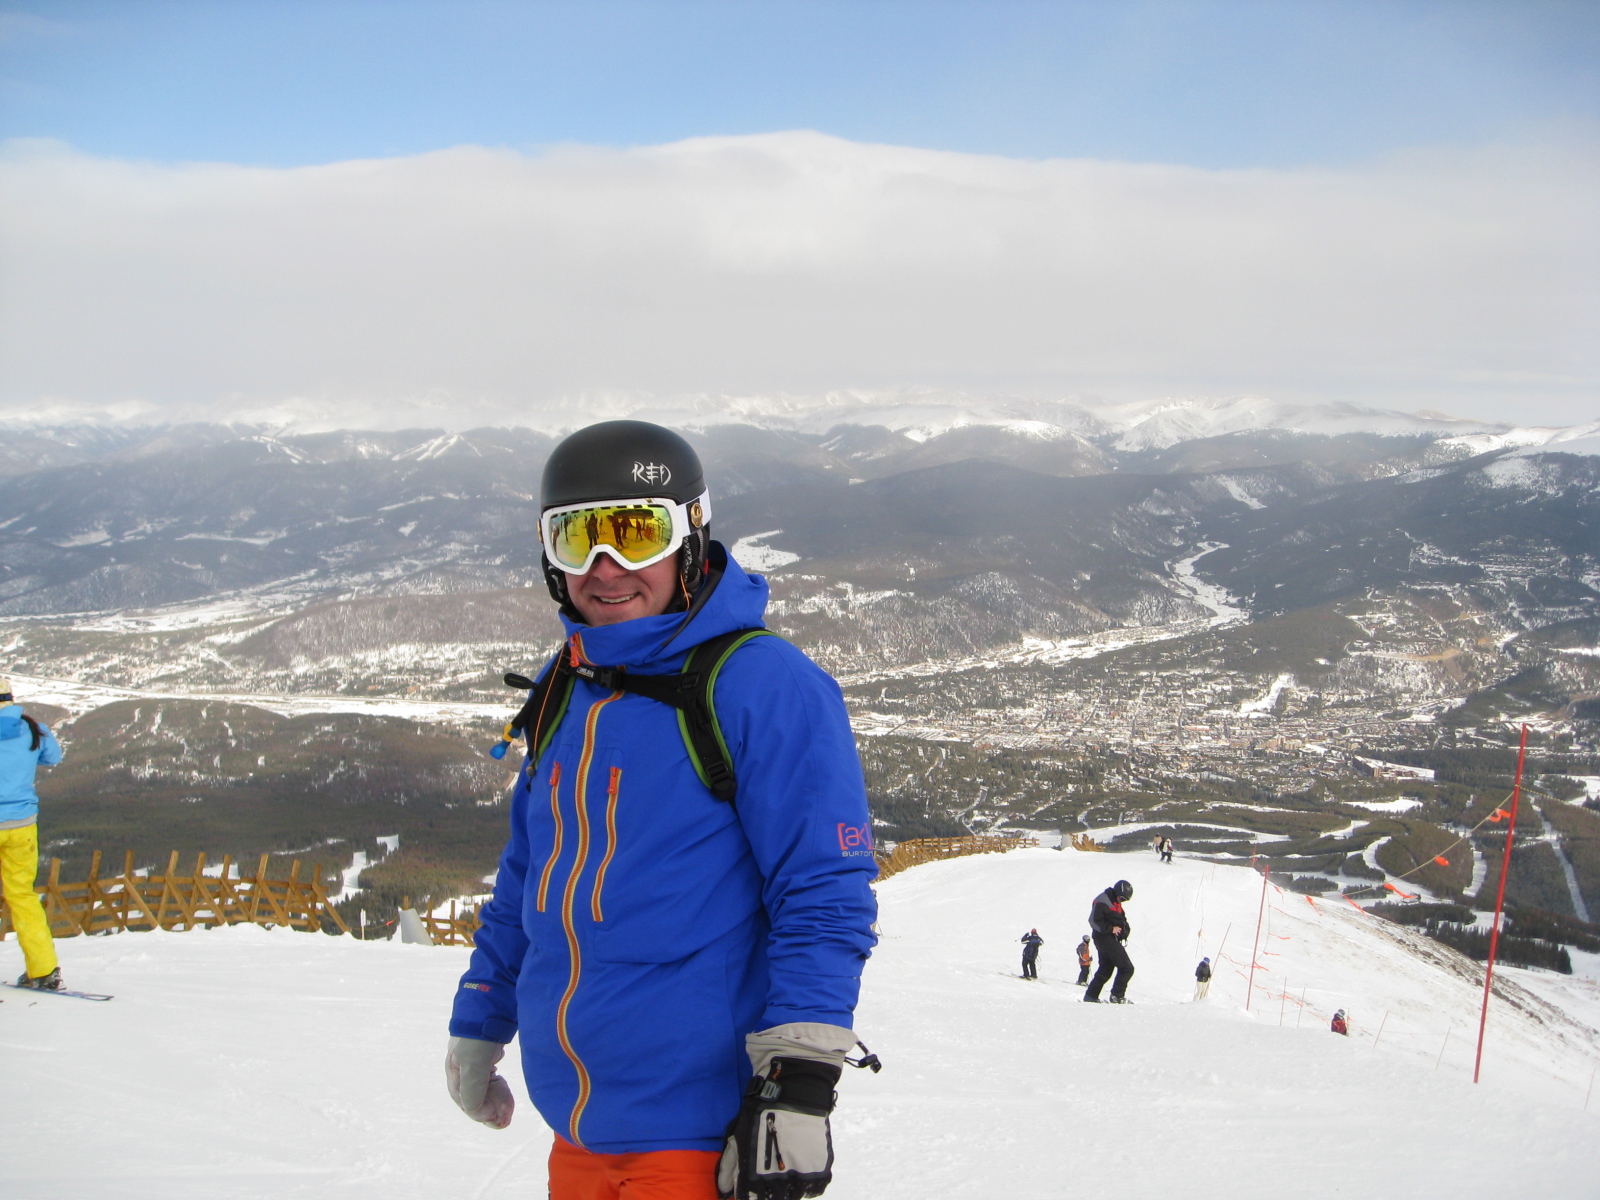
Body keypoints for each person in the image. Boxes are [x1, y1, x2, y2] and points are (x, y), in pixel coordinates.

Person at [444, 421, 878, 1200]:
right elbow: (527, 878)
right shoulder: (567, 683)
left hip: (696, 1139)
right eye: (576, 538)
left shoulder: (762, 684)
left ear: (690, 536)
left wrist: (800, 1080)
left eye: (636, 533)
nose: (605, 567)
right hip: (576, 1130)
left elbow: (823, 890)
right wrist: (480, 1016)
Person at [0, 678, 65, 990]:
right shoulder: (31, 727)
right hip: (22, 824)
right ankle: (43, 970)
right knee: (23, 896)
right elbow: (53, 757)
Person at [1083, 880, 1135, 1004]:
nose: (1122, 901)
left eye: (1124, 900)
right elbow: (1093, 921)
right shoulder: (1103, 901)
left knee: (1106, 969)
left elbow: (1121, 920)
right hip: (1104, 938)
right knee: (1127, 968)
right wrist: (1111, 929)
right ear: (1117, 892)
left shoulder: (1115, 902)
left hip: (1109, 939)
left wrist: (1124, 931)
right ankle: (1117, 996)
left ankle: (1091, 996)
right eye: (1122, 898)